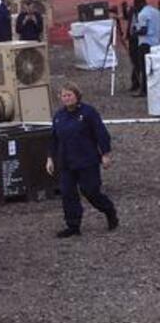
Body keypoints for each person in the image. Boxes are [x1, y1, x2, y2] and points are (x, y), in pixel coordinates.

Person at [46, 82, 118, 237]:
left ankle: (109, 211)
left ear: (77, 95)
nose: (67, 98)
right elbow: (53, 139)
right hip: (66, 162)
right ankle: (73, 226)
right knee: (67, 194)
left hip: (87, 160)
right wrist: (50, 158)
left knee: (91, 191)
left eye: (69, 95)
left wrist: (105, 154)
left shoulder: (88, 113)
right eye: (64, 95)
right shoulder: (59, 116)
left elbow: (101, 133)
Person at [131, 0, 160, 97]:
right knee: (155, 68)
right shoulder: (156, 12)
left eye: (136, 5)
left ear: (140, 4)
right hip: (156, 44)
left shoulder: (142, 14)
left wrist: (134, 33)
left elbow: (144, 30)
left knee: (144, 68)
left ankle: (144, 91)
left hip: (145, 44)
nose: (135, 8)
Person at [122, 0, 141, 92]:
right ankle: (136, 82)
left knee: (137, 62)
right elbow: (126, 17)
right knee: (135, 62)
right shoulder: (132, 11)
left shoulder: (142, 13)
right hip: (132, 40)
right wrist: (123, 9)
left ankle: (137, 83)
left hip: (138, 40)